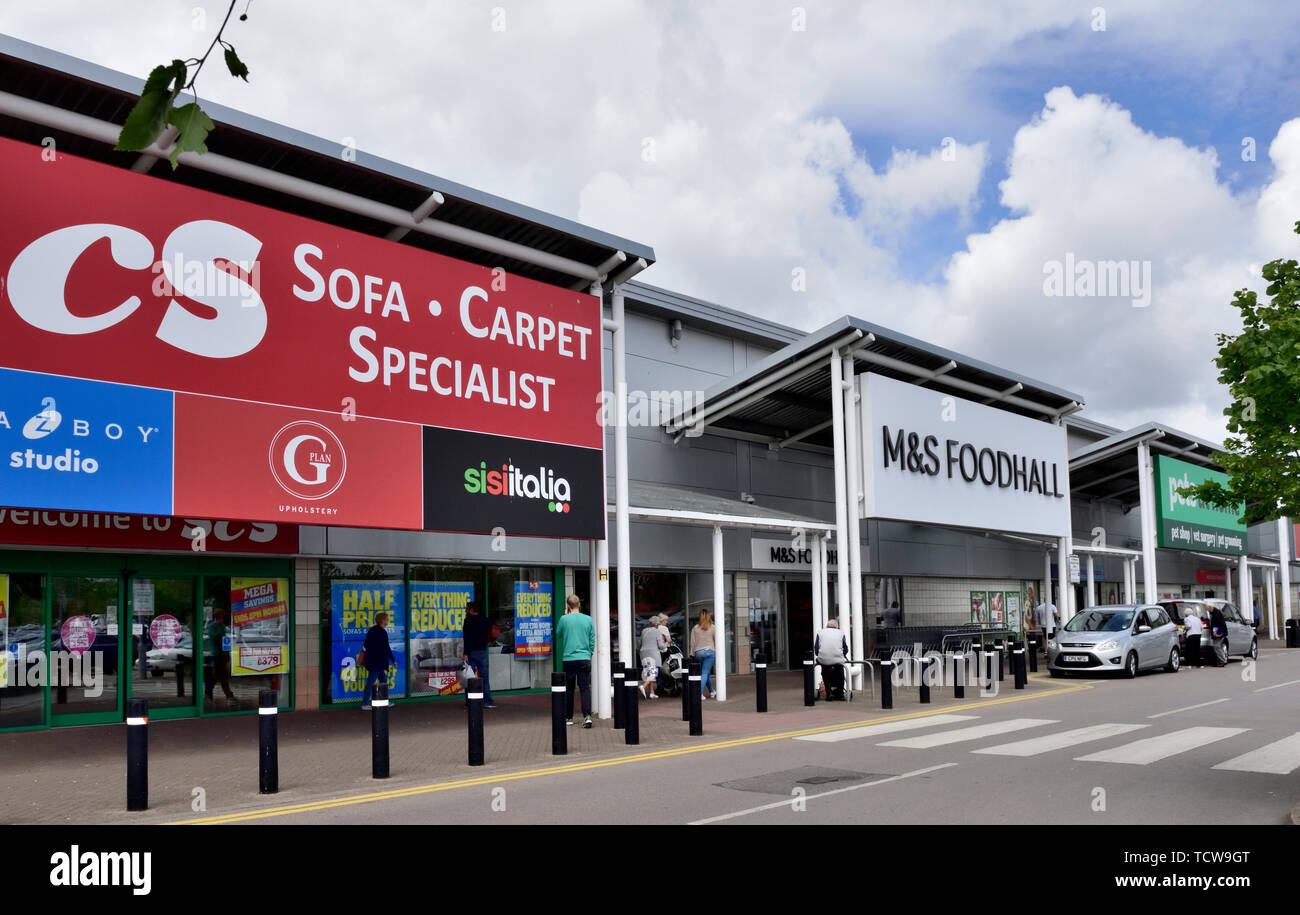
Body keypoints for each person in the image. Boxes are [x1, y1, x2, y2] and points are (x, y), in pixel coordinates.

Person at [556, 594, 595, 727]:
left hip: (569, 659)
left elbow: (559, 634)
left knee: (570, 689)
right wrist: (589, 653)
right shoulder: (588, 619)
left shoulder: (564, 619)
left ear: (568, 606)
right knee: (584, 688)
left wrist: (565, 615)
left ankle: (569, 717)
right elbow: (592, 639)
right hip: (584, 658)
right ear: (579, 604)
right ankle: (587, 716)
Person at [461, 600, 496, 709]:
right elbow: (495, 628)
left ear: (471, 610)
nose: (465, 611)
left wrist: (465, 653)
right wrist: (490, 640)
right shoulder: (484, 620)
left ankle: (470, 702)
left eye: (466, 609)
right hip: (482, 651)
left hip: (471, 652)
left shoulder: (468, 621)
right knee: (484, 678)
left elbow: (466, 638)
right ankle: (487, 701)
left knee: (469, 678)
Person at [361, 611, 397, 711]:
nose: (388, 621)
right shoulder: (382, 632)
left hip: (373, 662)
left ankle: (384, 702)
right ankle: (364, 704)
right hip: (378, 662)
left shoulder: (372, 630)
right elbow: (387, 648)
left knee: (383, 681)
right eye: (386, 619)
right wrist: (393, 660)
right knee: (370, 683)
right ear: (382, 620)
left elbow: (366, 645)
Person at [815, 618, 850, 700]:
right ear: (837, 626)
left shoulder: (820, 633)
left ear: (827, 626)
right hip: (838, 659)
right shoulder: (841, 633)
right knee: (840, 674)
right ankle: (840, 694)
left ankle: (829, 693)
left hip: (824, 659)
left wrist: (820, 655)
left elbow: (816, 649)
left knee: (825, 673)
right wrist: (842, 655)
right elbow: (845, 648)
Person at [206, 607, 236, 704]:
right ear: (216, 618)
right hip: (216, 655)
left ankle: (226, 695)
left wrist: (227, 654)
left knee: (222, 676)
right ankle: (224, 695)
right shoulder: (212, 627)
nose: (221, 620)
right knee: (219, 676)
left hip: (223, 655)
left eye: (222, 618)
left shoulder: (222, 626)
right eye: (220, 618)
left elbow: (225, 640)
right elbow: (214, 637)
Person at [690, 610, 718, 699]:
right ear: (709, 617)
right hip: (710, 651)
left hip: (698, 652)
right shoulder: (713, 627)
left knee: (705, 673)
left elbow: (692, 642)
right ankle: (699, 693)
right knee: (705, 673)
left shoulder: (695, 628)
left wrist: (692, 653)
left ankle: (712, 691)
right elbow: (717, 640)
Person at [639, 614, 666, 698]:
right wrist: (667, 643)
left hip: (643, 653)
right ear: (657, 624)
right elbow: (661, 646)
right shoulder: (657, 631)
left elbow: (640, 643)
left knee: (649, 672)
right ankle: (643, 686)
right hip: (653, 654)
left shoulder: (644, 631)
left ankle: (651, 692)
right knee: (654, 672)